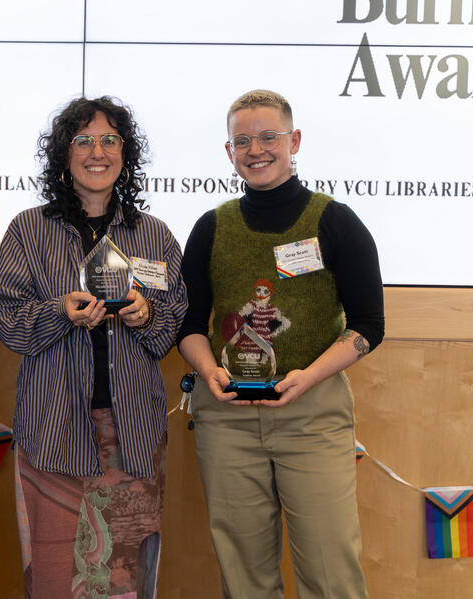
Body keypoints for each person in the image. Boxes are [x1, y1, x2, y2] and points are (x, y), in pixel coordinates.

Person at [178, 89, 383, 599]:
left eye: (269, 136)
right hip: (226, 420)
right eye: (242, 140)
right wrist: (209, 372)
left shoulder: (336, 221)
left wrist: (308, 377)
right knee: (244, 576)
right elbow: (188, 325)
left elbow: (368, 326)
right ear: (229, 153)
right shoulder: (210, 227)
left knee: (331, 572)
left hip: (313, 415)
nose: (256, 149)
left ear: (293, 141)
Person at [0, 96, 187, 598]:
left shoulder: (154, 237)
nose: (97, 151)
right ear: (64, 154)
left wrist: (146, 315)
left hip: (132, 432)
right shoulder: (29, 231)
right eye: (82, 140)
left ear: (125, 154)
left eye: (109, 140)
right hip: (53, 430)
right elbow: (6, 321)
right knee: (54, 577)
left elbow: (169, 331)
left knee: (123, 579)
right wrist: (60, 311)